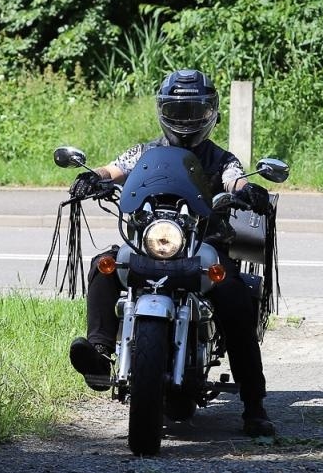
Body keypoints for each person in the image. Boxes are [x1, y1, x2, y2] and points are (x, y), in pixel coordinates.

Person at [66, 69, 277, 437]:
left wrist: (247, 190)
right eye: (178, 111)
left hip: (203, 246)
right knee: (104, 266)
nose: (186, 119)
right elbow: (114, 168)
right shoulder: (145, 152)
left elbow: (235, 179)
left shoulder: (221, 158)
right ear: (163, 111)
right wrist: (93, 176)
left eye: (195, 111)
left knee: (235, 296)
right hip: (151, 241)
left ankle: (254, 404)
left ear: (211, 113)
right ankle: (99, 353)